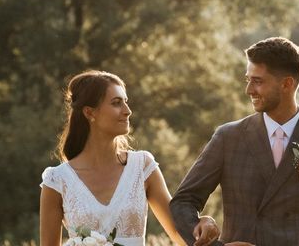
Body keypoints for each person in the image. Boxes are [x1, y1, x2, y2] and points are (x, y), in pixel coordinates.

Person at [170, 37, 299, 246]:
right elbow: (183, 201)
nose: (248, 90)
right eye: (247, 80)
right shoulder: (228, 137)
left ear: (287, 84)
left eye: (257, 81)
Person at [40, 70, 219, 246]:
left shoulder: (142, 166)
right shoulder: (57, 180)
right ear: (90, 112)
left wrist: (203, 224)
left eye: (126, 102)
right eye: (117, 103)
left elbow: (180, 234)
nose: (128, 111)